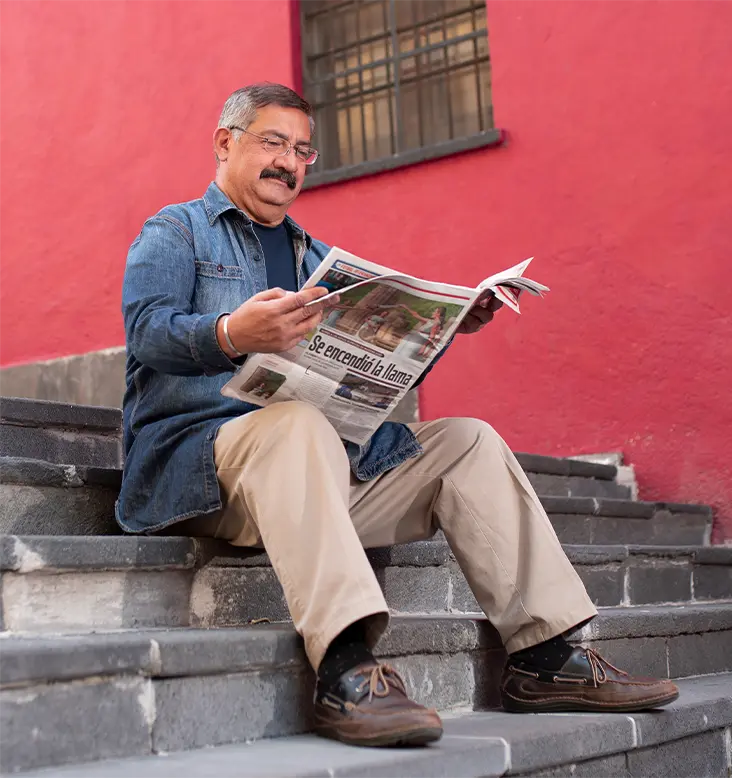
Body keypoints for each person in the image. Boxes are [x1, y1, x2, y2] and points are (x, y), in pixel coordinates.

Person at [119, 82, 679, 749]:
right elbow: (146, 331)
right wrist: (233, 333)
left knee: (468, 440)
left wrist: (432, 332)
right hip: (206, 472)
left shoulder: (315, 260)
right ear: (225, 143)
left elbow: (363, 373)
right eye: (272, 142)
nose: (288, 163)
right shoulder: (175, 231)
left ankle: (545, 658)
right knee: (293, 425)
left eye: (302, 151)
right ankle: (347, 668)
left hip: (317, 476)